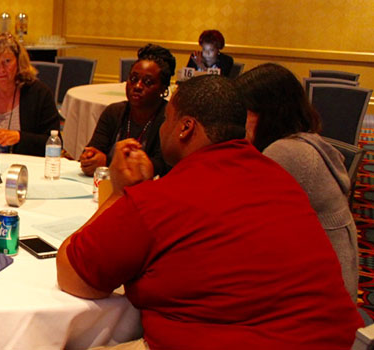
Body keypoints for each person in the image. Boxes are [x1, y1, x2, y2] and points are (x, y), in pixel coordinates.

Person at [56, 75, 361, 349]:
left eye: (168, 119)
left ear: (186, 128)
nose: (162, 127)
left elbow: (74, 276)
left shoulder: (158, 200)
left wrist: (122, 193)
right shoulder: (280, 178)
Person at [235, 63, 359, 302]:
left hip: (323, 301)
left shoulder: (287, 152)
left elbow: (242, 221)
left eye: (245, 112)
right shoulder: (302, 142)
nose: (239, 123)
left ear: (269, 113)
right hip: (322, 284)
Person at [79, 44, 174, 176]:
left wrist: (107, 161)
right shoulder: (113, 112)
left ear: (163, 88)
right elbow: (95, 149)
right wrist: (89, 158)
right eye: (133, 79)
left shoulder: (169, 119)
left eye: (147, 82)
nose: (137, 86)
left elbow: (161, 166)